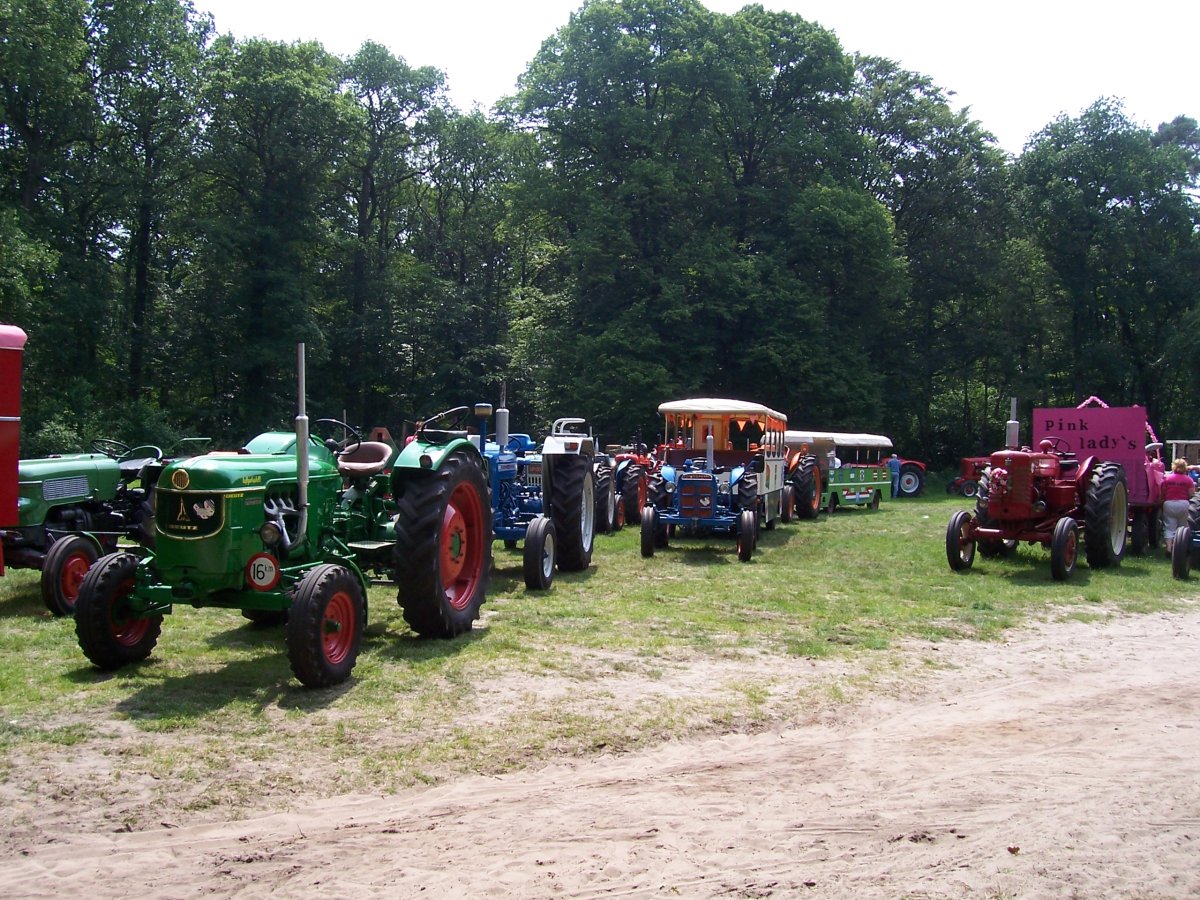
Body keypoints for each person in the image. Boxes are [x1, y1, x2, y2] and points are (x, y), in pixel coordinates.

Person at [1161, 458, 1195, 554]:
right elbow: (1191, 494)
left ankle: (1169, 548)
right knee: (1183, 527)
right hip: (1184, 504)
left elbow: (1163, 492)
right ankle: (1180, 548)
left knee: (1169, 527)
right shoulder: (1188, 480)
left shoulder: (1167, 479)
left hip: (1169, 503)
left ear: (1173, 467)